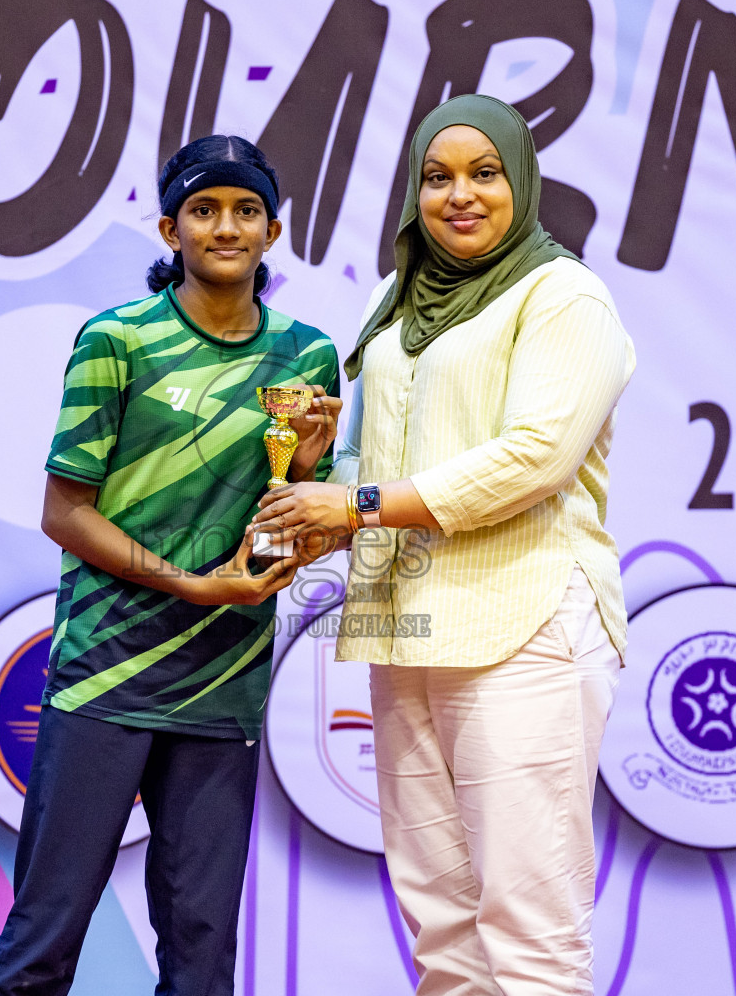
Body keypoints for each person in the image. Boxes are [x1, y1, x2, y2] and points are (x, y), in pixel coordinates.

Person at [252, 95, 635, 995]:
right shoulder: (399, 294)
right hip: (405, 629)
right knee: (442, 931)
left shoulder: (562, 294)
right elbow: (374, 460)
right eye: (437, 178)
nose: (459, 196)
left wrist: (356, 505)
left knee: (532, 933)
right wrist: (321, 469)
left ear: (522, 180)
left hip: (524, 623)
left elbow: (534, 460)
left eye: (484, 174)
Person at [0, 135, 341, 996]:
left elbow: (291, 538)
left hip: (225, 682)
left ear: (274, 229)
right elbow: (63, 512)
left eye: (245, 210)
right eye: (205, 210)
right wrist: (188, 584)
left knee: (203, 950)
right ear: (169, 229)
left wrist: (305, 470)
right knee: (45, 937)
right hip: (106, 676)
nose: (226, 227)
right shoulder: (117, 340)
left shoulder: (309, 357)